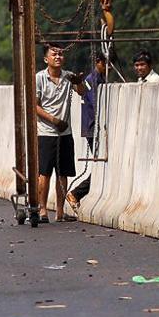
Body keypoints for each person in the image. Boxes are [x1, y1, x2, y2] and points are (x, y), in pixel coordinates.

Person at [33, 44, 89, 223]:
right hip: (46, 132)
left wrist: (78, 81)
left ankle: (59, 211)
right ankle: (42, 210)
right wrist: (53, 120)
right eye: (54, 54)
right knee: (45, 173)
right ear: (46, 59)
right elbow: (34, 105)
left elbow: (83, 93)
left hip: (65, 133)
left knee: (63, 173)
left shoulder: (68, 77)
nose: (58, 56)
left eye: (60, 54)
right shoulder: (40, 78)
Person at [65, 53, 106, 216]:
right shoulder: (92, 81)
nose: (108, 68)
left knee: (102, 168)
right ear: (98, 62)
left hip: (94, 128)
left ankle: (76, 193)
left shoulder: (100, 78)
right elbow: (95, 104)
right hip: (92, 128)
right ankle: (76, 193)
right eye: (106, 64)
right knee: (102, 168)